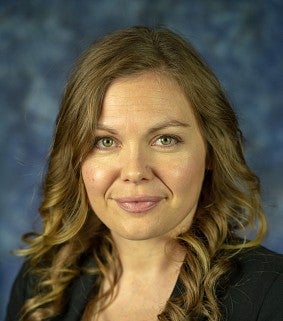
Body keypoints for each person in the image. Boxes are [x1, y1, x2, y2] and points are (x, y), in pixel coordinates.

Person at [5, 26, 283, 321]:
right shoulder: (40, 281)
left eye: (165, 139)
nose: (135, 171)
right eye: (105, 141)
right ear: (75, 158)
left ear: (212, 150)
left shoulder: (271, 294)